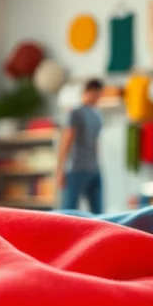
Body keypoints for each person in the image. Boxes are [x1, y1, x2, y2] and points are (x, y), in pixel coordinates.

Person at [57, 79, 104, 214]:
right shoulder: (85, 114)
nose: (98, 98)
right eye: (97, 94)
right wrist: (61, 168)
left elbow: (67, 140)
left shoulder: (90, 115)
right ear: (88, 92)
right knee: (92, 212)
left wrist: (60, 168)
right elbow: (68, 140)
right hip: (83, 168)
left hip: (83, 168)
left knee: (69, 210)